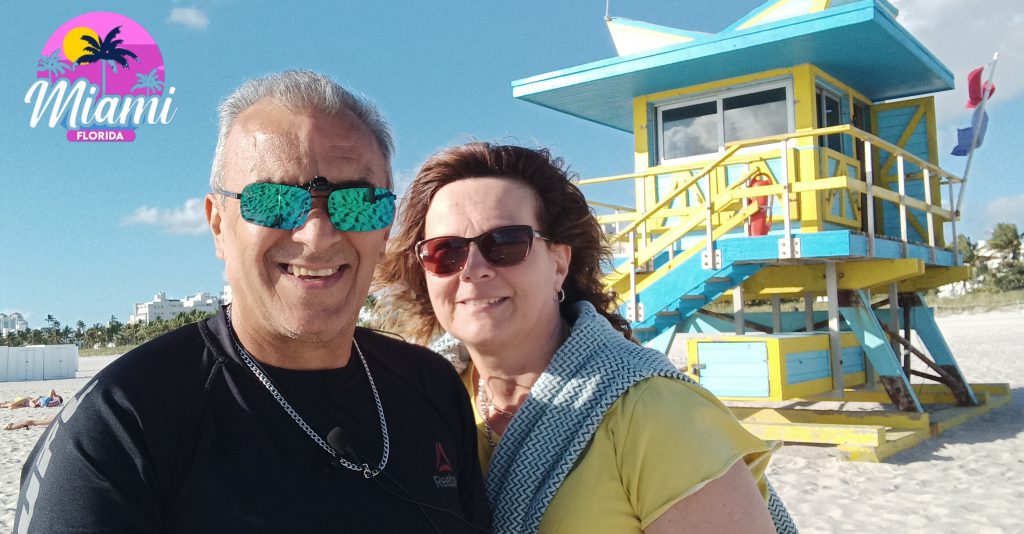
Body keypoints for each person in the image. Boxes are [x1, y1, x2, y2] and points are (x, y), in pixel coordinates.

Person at [15, 71, 489, 533]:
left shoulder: (431, 389)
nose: (317, 235)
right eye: (274, 202)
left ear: (384, 229)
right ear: (218, 225)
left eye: (357, 203)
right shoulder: (122, 423)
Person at [377, 142, 795, 533]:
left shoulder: (654, 413)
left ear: (558, 264)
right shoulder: (422, 402)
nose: (473, 270)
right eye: (446, 251)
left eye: (505, 243)